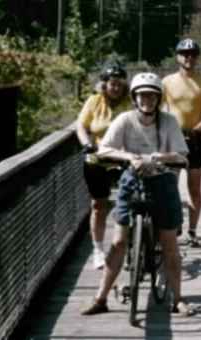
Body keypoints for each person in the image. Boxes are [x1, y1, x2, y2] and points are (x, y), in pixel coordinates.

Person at [81, 72, 194, 317]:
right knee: (119, 241)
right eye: (142, 95)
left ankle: (178, 299)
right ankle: (100, 298)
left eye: (152, 96)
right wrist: (129, 157)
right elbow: (105, 149)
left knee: (169, 243)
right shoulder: (125, 120)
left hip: (163, 181)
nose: (147, 100)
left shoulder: (169, 122)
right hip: (132, 181)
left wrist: (159, 158)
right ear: (134, 97)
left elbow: (181, 154)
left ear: (158, 98)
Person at [76, 60, 131, 270]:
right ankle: (98, 250)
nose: (115, 87)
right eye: (112, 83)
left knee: (130, 203)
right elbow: (81, 125)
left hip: (124, 158)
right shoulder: (94, 101)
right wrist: (86, 143)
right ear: (105, 84)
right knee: (99, 205)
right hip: (97, 158)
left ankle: (129, 247)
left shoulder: (130, 102)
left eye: (119, 83)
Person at [162, 39, 201, 247]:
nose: (189, 57)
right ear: (177, 56)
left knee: (194, 188)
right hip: (172, 139)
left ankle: (193, 231)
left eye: (193, 54)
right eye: (184, 53)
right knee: (170, 186)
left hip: (196, 139)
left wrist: (197, 130)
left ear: (197, 57)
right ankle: (173, 223)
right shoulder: (166, 82)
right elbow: (159, 109)